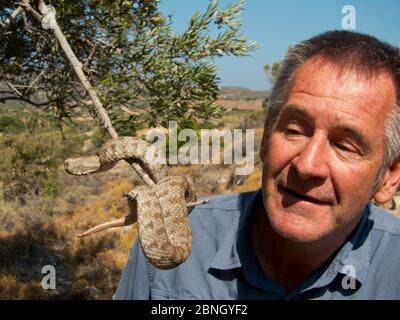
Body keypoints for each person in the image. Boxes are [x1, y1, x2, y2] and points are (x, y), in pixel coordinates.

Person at [114, 30, 400, 299]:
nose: (307, 165)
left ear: (390, 177)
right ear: (265, 140)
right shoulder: (172, 235)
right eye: (294, 130)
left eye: (345, 146)